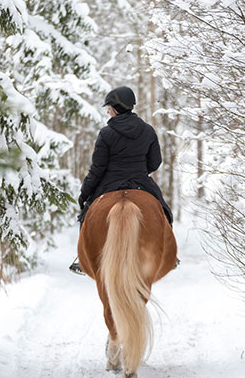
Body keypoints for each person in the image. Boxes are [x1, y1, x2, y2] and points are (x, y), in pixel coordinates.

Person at [69, 86, 173, 275]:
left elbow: (97, 169)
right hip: (141, 181)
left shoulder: (106, 133)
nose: (107, 111)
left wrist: (85, 194)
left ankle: (83, 260)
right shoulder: (148, 131)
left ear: (115, 108)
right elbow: (155, 162)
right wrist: (140, 172)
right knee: (164, 212)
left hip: (110, 183)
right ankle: (169, 254)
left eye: (109, 107)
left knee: (86, 217)